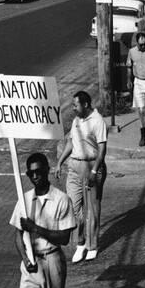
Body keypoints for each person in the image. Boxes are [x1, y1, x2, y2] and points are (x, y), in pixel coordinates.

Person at [9, 152, 76, 288]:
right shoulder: (24, 200)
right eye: (31, 173)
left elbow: (64, 238)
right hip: (30, 264)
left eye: (39, 171)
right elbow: (18, 235)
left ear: (47, 170)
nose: (35, 176)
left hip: (52, 260)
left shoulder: (61, 199)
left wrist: (36, 228)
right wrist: (25, 258)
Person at [55, 91, 107, 263]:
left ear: (85, 104)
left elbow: (102, 149)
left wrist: (94, 172)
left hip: (92, 165)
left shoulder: (97, 121)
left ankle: (92, 245)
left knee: (92, 208)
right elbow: (71, 142)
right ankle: (80, 243)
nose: (73, 108)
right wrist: (60, 162)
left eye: (75, 105)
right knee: (73, 207)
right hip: (74, 167)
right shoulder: (77, 120)